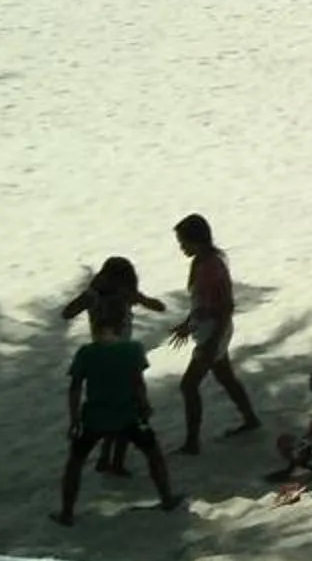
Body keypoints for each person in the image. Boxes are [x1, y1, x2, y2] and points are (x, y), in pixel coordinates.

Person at [54, 312, 180, 523]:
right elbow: (138, 383)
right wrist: (144, 405)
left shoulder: (87, 353)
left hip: (95, 417)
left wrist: (74, 419)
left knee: (75, 463)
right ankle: (166, 498)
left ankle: (67, 512)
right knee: (153, 454)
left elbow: (75, 387)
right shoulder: (132, 350)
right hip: (127, 415)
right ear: (121, 328)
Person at [59, 257, 166, 476]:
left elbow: (67, 313)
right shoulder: (118, 295)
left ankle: (107, 459)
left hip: (103, 357)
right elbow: (159, 307)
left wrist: (89, 298)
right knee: (128, 409)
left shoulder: (100, 295)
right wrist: (136, 298)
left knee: (111, 407)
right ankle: (114, 461)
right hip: (124, 358)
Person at [164, 213, 260, 453]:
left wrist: (212, 342)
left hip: (213, 332)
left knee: (189, 385)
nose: (181, 248)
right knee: (225, 375)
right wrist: (189, 323)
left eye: (183, 242)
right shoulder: (203, 261)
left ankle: (192, 442)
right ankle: (250, 418)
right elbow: (201, 303)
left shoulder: (212, 266)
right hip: (209, 330)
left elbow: (225, 306)